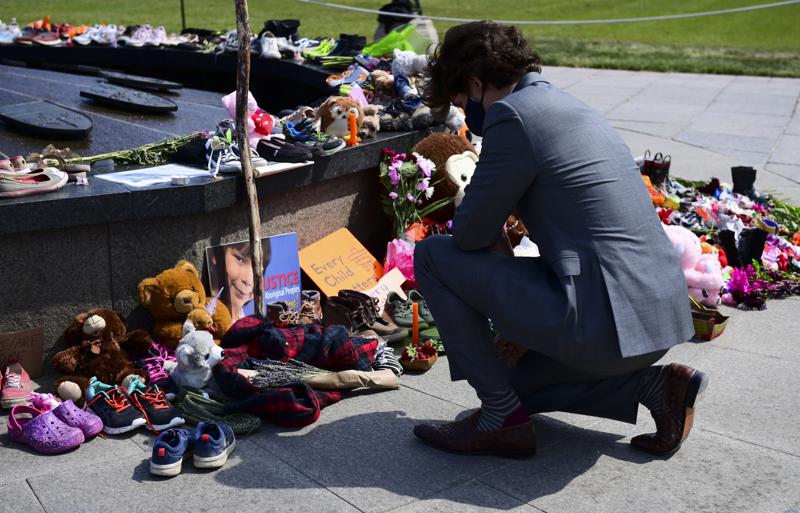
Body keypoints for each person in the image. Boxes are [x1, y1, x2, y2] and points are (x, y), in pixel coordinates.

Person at [413, 21, 707, 458]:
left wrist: (515, 316)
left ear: (476, 84)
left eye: (461, 102)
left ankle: (499, 420)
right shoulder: (572, 106)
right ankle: (654, 385)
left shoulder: (512, 116)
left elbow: (471, 233)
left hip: (603, 320)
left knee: (433, 255)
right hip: (654, 318)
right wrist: (522, 325)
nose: (469, 120)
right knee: (514, 382)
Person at [208, 240, 271, 323]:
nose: (248, 281)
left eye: (258, 268)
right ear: (215, 256)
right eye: (239, 259)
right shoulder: (208, 315)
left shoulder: (244, 319)